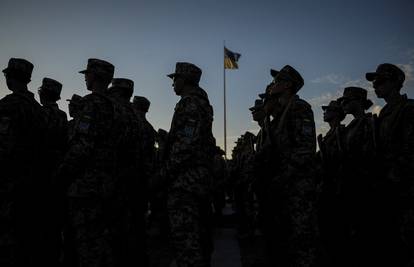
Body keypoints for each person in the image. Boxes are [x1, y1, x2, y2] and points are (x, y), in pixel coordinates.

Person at [58, 58, 123, 267]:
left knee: (86, 246)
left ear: (94, 76)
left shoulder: (91, 104)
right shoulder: (117, 108)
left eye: (87, 74)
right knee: (102, 243)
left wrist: (62, 173)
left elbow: (82, 146)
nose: (85, 77)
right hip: (107, 185)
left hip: (86, 187)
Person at [260, 65, 318, 267]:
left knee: (301, 240)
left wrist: (283, 176)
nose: (271, 86)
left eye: (276, 82)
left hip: (297, 186)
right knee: (284, 240)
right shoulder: (278, 116)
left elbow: (305, 148)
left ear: (287, 85)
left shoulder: (299, 107)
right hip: (282, 186)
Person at [164, 62, 215, 267]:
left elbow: (186, 145)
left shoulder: (191, 103)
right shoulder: (200, 102)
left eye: (175, 79)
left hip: (186, 182)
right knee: (199, 240)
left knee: (187, 243)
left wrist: (163, 174)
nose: (173, 84)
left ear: (184, 80)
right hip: (196, 180)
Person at [366, 63, 414, 266]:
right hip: (386, 188)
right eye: (375, 82)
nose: (375, 85)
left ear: (395, 83)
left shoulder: (408, 109)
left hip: (404, 188)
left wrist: (392, 174)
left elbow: (410, 151)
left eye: (380, 81)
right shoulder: (383, 114)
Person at [0, 58, 45, 266]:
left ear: (10, 78)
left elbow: (3, 145)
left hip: (11, 182)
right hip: (34, 180)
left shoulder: (9, 105)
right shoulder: (37, 108)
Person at [38, 77, 68, 266]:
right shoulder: (63, 116)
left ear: (43, 93)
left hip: (41, 170)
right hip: (58, 170)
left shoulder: (41, 114)